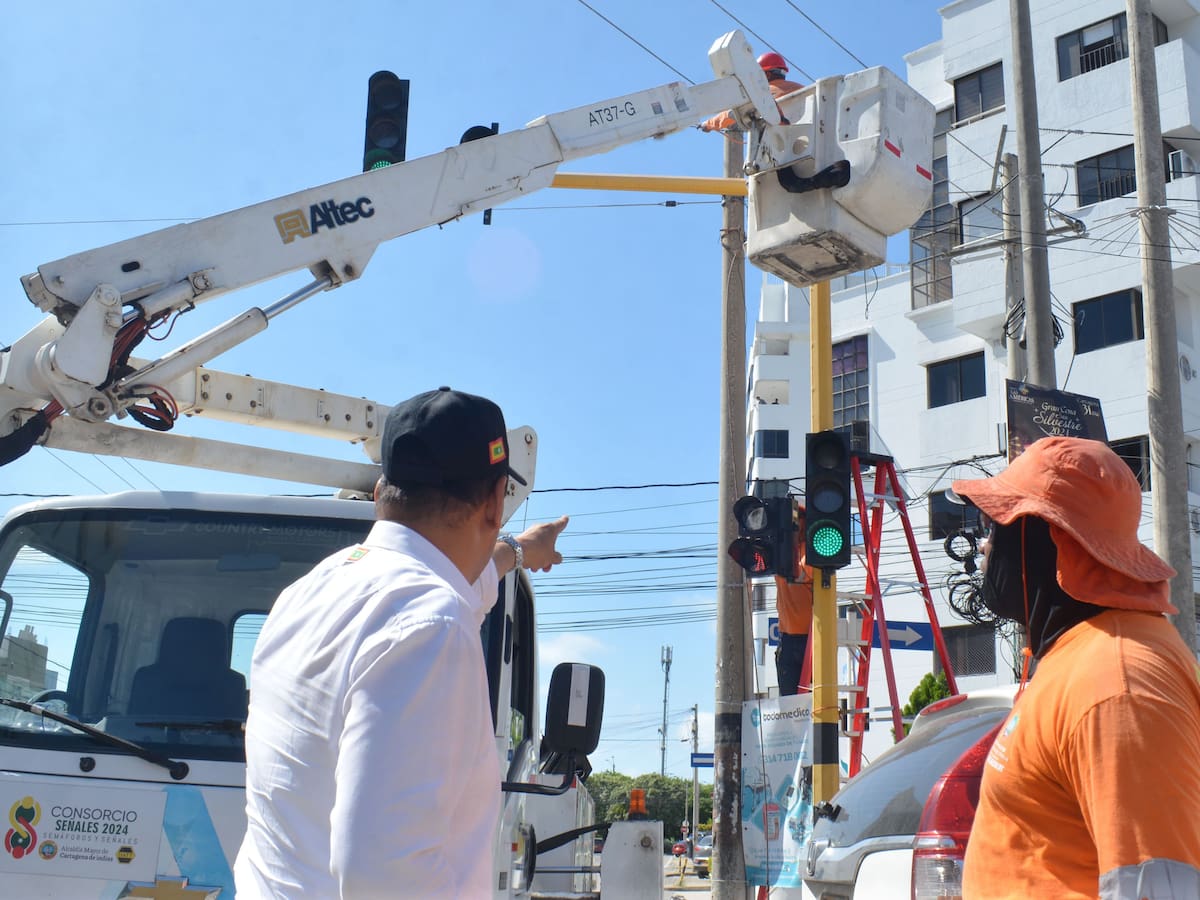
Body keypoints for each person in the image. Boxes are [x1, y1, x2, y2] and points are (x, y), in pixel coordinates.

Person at [234, 386, 569, 899]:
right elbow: (384, 872)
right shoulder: (431, 625)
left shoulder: (309, 593)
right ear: (496, 502)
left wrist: (519, 551)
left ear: (380, 493)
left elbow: (464, 582)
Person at [950, 436, 1200, 899]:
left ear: (1044, 537)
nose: (984, 546)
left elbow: (1160, 888)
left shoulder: (1117, 681)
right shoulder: (1083, 656)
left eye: (995, 524)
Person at [700, 51, 805, 133]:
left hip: (777, 143)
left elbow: (732, 114)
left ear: (767, 75)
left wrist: (708, 124)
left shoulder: (764, 93)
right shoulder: (802, 88)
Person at [775, 508, 813, 695]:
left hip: (811, 638)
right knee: (789, 704)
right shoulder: (780, 549)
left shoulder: (811, 549)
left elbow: (802, 573)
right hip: (788, 639)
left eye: (799, 521)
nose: (795, 525)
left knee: (813, 703)